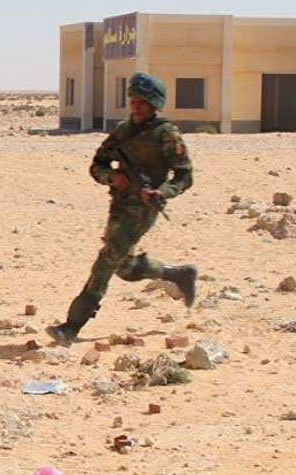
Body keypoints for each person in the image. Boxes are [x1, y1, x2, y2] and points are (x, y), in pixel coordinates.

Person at [47, 72, 197, 347]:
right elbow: (98, 164)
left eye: (143, 103)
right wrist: (111, 177)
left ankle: (71, 326)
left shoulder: (166, 134)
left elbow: (184, 175)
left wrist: (162, 192)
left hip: (143, 208)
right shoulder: (123, 131)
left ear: (154, 105)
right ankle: (178, 274)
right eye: (133, 102)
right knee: (124, 267)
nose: (136, 108)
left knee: (106, 260)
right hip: (119, 205)